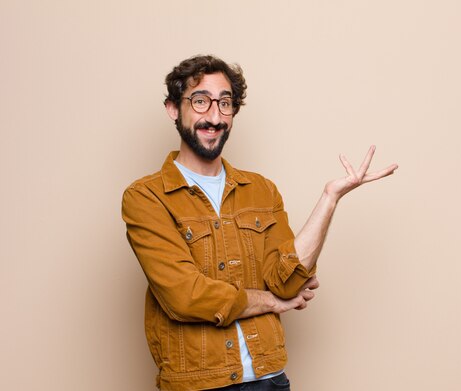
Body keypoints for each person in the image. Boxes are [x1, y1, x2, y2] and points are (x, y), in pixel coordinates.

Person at [122, 54, 398, 391]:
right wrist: (269, 302)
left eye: (225, 104)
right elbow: (186, 296)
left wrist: (330, 198)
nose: (214, 116)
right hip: (198, 384)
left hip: (270, 380)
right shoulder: (147, 197)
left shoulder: (261, 190)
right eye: (200, 101)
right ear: (173, 108)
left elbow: (286, 282)